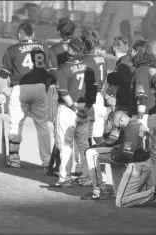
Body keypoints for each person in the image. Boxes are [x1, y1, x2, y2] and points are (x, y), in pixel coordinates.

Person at [82, 110, 156, 208]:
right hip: (144, 165)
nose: (118, 127)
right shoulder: (136, 124)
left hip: (137, 167)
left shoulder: (131, 128)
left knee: (121, 201)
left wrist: (114, 154)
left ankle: (154, 192)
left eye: (118, 125)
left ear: (122, 119)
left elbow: (126, 155)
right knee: (124, 193)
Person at [0, 22, 52, 169]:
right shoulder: (45, 48)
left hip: (20, 88)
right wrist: (43, 88)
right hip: (40, 88)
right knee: (43, 126)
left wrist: (2, 92)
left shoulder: (12, 50)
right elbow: (52, 73)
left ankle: (14, 159)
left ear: (19, 34)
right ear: (33, 34)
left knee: (16, 124)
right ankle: (47, 162)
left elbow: (3, 76)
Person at [49, 38, 96, 188]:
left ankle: (65, 178)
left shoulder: (63, 68)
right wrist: (86, 107)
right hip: (84, 107)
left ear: (70, 50)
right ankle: (86, 178)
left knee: (65, 144)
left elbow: (63, 93)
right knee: (83, 145)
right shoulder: (88, 68)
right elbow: (93, 91)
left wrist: (75, 109)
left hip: (69, 109)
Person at [46, 17, 79, 177]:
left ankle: (59, 166)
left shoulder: (55, 48)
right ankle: (80, 169)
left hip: (60, 90)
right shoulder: (81, 46)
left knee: (58, 129)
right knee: (81, 130)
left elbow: (51, 71)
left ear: (59, 32)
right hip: (80, 90)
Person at [129, 40, 156, 187]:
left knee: (142, 156)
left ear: (139, 52)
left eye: (134, 50)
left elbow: (142, 96)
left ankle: (146, 190)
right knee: (153, 157)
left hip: (146, 116)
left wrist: (140, 120)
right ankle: (155, 189)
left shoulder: (141, 70)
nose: (132, 53)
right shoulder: (153, 69)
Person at [80, 29, 107, 146]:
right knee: (98, 137)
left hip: (89, 100)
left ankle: (88, 163)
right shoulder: (102, 58)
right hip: (99, 98)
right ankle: (100, 163)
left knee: (87, 136)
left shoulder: (85, 60)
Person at [107, 36, 133, 111]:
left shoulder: (123, 64)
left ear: (114, 48)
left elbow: (125, 84)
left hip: (124, 105)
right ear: (127, 48)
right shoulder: (127, 61)